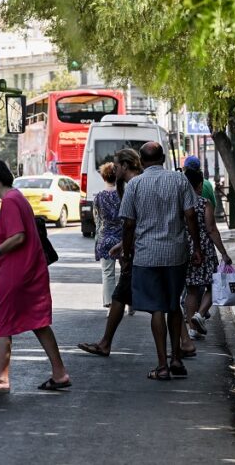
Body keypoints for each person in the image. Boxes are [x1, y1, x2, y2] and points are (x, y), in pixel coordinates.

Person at [0, 158, 71, 392]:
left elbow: (17, 237)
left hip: (15, 272)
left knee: (0, 323)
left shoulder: (10, 202)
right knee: (39, 323)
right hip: (29, 270)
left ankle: (1, 378)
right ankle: (59, 373)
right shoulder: (17, 198)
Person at [120, 141, 201, 381]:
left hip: (147, 255)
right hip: (176, 253)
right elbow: (190, 216)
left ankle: (162, 365)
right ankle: (176, 359)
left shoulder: (134, 185)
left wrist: (126, 252)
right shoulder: (179, 180)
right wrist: (196, 247)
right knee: (174, 305)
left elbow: (129, 224)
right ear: (164, 158)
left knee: (157, 308)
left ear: (142, 162)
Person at [77, 148, 143, 357]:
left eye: (117, 165)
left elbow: (130, 222)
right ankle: (179, 347)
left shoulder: (131, 187)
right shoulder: (128, 188)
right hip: (134, 243)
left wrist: (125, 245)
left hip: (125, 243)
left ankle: (106, 340)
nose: (115, 169)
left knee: (113, 280)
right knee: (130, 289)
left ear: (124, 166)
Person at [179, 167, 233, 355]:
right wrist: (224, 253)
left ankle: (192, 330)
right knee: (213, 285)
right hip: (204, 249)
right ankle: (200, 315)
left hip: (187, 249)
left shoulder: (180, 204)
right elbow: (211, 229)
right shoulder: (204, 203)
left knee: (192, 289)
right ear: (200, 184)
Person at [92, 161, 122, 308]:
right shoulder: (123, 195)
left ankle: (110, 304)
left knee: (108, 274)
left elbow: (96, 219)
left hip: (105, 238)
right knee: (126, 272)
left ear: (104, 177)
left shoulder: (98, 197)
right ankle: (130, 304)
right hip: (122, 238)